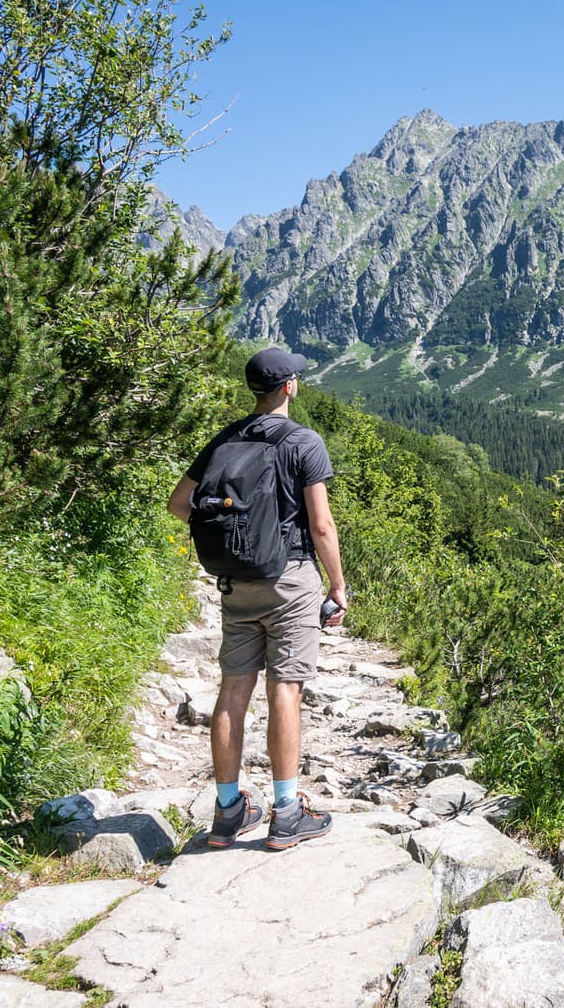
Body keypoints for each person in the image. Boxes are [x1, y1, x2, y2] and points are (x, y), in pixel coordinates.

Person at [167, 348, 348, 849]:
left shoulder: (225, 439)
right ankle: (287, 812)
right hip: (289, 579)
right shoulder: (303, 443)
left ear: (254, 389)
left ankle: (228, 811)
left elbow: (178, 504)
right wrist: (336, 586)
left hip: (236, 583)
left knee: (233, 691)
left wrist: (229, 541)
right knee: (285, 689)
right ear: (289, 386)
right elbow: (322, 525)